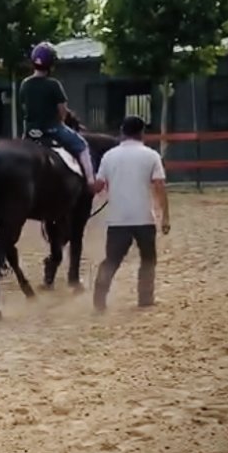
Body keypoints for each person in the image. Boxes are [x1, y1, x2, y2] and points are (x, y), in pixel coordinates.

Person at [92, 114, 170, 312]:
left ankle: (99, 299)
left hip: (117, 219)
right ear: (142, 132)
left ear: (122, 131)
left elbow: (98, 185)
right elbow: (159, 187)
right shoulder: (151, 155)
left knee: (111, 260)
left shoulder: (109, 156)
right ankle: (145, 298)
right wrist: (165, 216)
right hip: (143, 217)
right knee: (148, 259)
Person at [18, 41, 96, 191]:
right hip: (52, 128)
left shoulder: (25, 84)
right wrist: (61, 122)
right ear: (51, 64)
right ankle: (90, 180)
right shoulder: (53, 84)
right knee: (82, 145)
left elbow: (23, 107)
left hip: (30, 130)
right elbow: (62, 110)